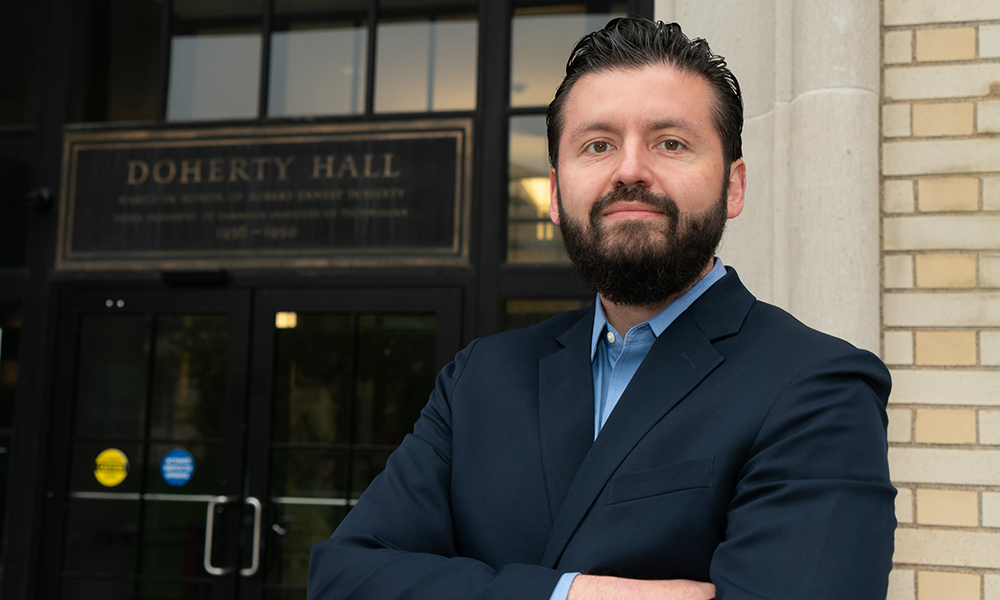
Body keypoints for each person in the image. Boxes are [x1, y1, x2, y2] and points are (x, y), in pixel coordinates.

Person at [308, 17, 895, 600]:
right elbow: (343, 579)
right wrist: (574, 594)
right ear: (557, 192)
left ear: (733, 186)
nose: (630, 170)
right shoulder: (479, 379)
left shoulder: (819, 386)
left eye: (671, 143)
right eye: (597, 145)